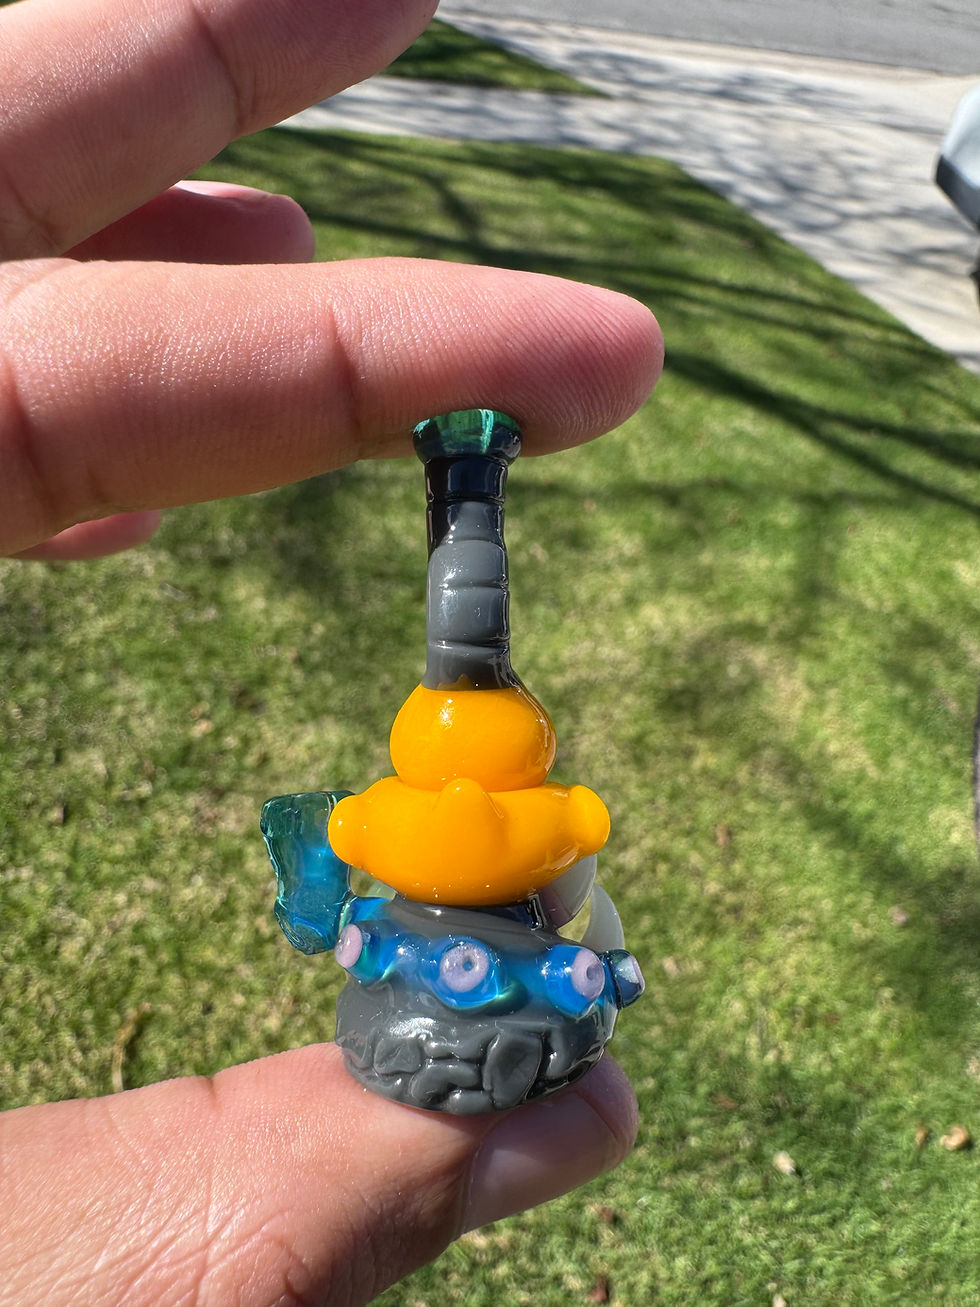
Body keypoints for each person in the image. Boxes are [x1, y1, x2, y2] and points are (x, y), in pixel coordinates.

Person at [0, 0, 664, 1301]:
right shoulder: (436, 828)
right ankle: (463, 474)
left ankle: (464, 476)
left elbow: (564, 873)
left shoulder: (528, 837)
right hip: (442, 917)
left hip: (497, 919)